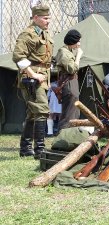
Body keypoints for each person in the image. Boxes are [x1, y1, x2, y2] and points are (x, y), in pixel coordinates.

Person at [12, 4, 53, 159]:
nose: (48, 21)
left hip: (43, 77)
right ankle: (40, 150)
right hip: (32, 79)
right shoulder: (27, 34)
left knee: (32, 113)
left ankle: (26, 148)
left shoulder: (44, 33)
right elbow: (18, 57)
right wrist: (33, 75)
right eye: (45, 18)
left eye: (49, 18)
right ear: (35, 17)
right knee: (42, 110)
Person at [56, 29, 83, 131]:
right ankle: (65, 134)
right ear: (72, 41)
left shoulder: (68, 51)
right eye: (77, 41)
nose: (79, 44)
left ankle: (71, 133)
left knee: (74, 110)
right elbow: (72, 69)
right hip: (68, 82)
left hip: (72, 82)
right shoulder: (64, 52)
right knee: (69, 112)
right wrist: (78, 56)